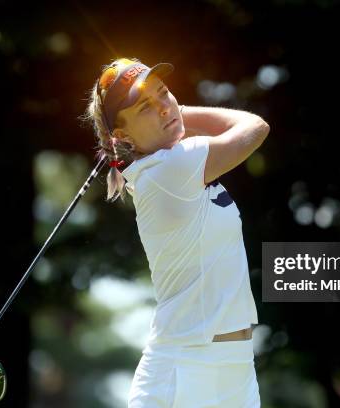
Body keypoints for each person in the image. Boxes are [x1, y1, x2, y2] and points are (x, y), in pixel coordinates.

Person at [84, 57, 270, 407]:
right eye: (145, 108)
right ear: (122, 136)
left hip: (233, 369)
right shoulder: (169, 167)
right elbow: (254, 127)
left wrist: (169, 112)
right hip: (186, 373)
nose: (164, 108)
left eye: (164, 93)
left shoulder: (166, 164)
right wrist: (180, 110)